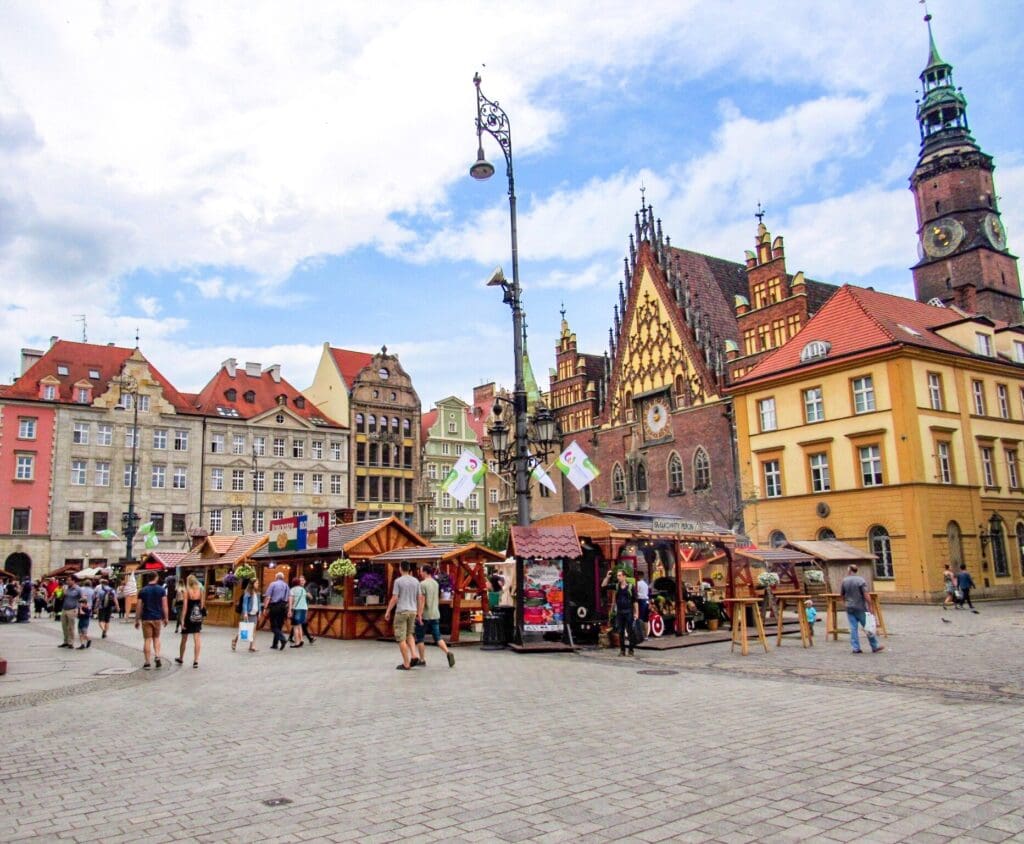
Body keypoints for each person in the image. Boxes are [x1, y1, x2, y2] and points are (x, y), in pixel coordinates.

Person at [414, 566, 455, 668]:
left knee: (420, 638)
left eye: (421, 571)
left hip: (425, 615)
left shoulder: (422, 584)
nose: (420, 573)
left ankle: (422, 659)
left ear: (425, 572)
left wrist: (419, 614)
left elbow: (422, 600)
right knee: (437, 637)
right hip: (435, 614)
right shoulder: (436, 583)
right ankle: (448, 652)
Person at [384, 560, 422, 671]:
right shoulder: (416, 581)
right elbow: (419, 598)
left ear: (401, 568)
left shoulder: (398, 581)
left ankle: (406, 663)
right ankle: (414, 655)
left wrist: (388, 611)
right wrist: (419, 613)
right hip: (413, 611)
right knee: (409, 634)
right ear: (409, 568)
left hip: (401, 611)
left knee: (401, 638)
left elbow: (395, 598)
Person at [839, 564, 884, 654]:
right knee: (867, 626)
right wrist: (870, 605)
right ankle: (874, 646)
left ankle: (855, 648)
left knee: (853, 628)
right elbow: (865, 594)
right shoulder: (860, 580)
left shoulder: (844, 580)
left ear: (849, 570)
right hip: (860, 607)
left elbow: (842, 595)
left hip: (849, 607)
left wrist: (845, 603)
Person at [134, 571, 168, 669]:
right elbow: (164, 606)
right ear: (156, 578)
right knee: (156, 638)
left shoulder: (143, 591)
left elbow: (139, 606)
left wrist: (137, 620)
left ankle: (147, 662)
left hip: (146, 618)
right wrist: (166, 618)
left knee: (147, 640)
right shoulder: (161, 590)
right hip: (157, 617)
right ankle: (157, 656)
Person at [175, 575, 205, 668]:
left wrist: (182, 619)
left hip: (188, 615)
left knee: (184, 638)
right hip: (197, 615)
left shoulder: (186, 591)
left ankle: (181, 657)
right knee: (197, 638)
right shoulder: (201, 590)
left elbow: (185, 607)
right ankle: (196, 660)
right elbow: (202, 605)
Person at [263, 572, 291, 651]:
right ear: (282, 578)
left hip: (275, 606)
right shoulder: (286, 586)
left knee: (273, 626)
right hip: (283, 607)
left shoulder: (273, 584)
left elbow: (268, 597)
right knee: (279, 626)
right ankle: (275, 644)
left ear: (276, 577)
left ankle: (282, 639)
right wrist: (289, 609)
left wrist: (265, 608)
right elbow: (289, 598)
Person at [612, 569, 638, 656]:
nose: (618, 577)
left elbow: (635, 601)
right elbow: (603, 585)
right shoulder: (616, 586)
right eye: (617, 576)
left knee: (630, 631)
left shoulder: (630, 587)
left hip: (628, 612)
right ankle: (622, 650)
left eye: (619, 575)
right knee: (621, 631)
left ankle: (631, 650)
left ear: (624, 576)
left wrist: (636, 613)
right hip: (620, 612)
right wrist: (607, 577)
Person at [232, 580, 261, 653]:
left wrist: (259, 612)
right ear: (252, 584)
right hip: (248, 614)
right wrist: (245, 613)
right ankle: (235, 640)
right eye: (256, 583)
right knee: (243, 630)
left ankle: (252, 646)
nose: (258, 584)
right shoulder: (247, 593)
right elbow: (245, 604)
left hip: (254, 614)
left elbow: (259, 603)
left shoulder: (257, 593)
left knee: (254, 630)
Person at [289, 575, 314, 647]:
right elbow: (310, 597)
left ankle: (297, 642)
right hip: (304, 609)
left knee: (295, 626)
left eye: (303, 580)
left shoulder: (292, 590)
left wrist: (290, 610)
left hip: (297, 609)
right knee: (300, 625)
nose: (302, 582)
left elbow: (291, 601)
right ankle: (301, 640)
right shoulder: (303, 590)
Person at [58, 576, 82, 648]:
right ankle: (65, 641)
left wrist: (78, 608)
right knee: (64, 626)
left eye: (69, 580)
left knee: (71, 627)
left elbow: (82, 598)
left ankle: (70, 642)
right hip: (64, 609)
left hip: (72, 609)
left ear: (73, 581)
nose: (67, 582)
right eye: (67, 580)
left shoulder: (78, 589)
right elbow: (59, 597)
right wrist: (62, 592)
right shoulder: (66, 588)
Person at [635, 571, 651, 637]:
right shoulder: (645, 584)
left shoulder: (637, 584)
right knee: (646, 620)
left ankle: (641, 635)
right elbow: (647, 593)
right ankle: (646, 635)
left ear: (638, 576)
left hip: (640, 601)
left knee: (640, 618)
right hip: (646, 601)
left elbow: (635, 593)